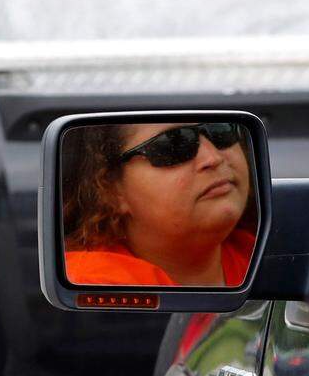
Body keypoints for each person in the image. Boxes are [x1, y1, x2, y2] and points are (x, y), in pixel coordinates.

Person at [62, 122, 256, 287]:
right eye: (174, 143)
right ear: (110, 190)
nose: (213, 158)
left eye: (221, 130)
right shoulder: (94, 287)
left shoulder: (267, 256)